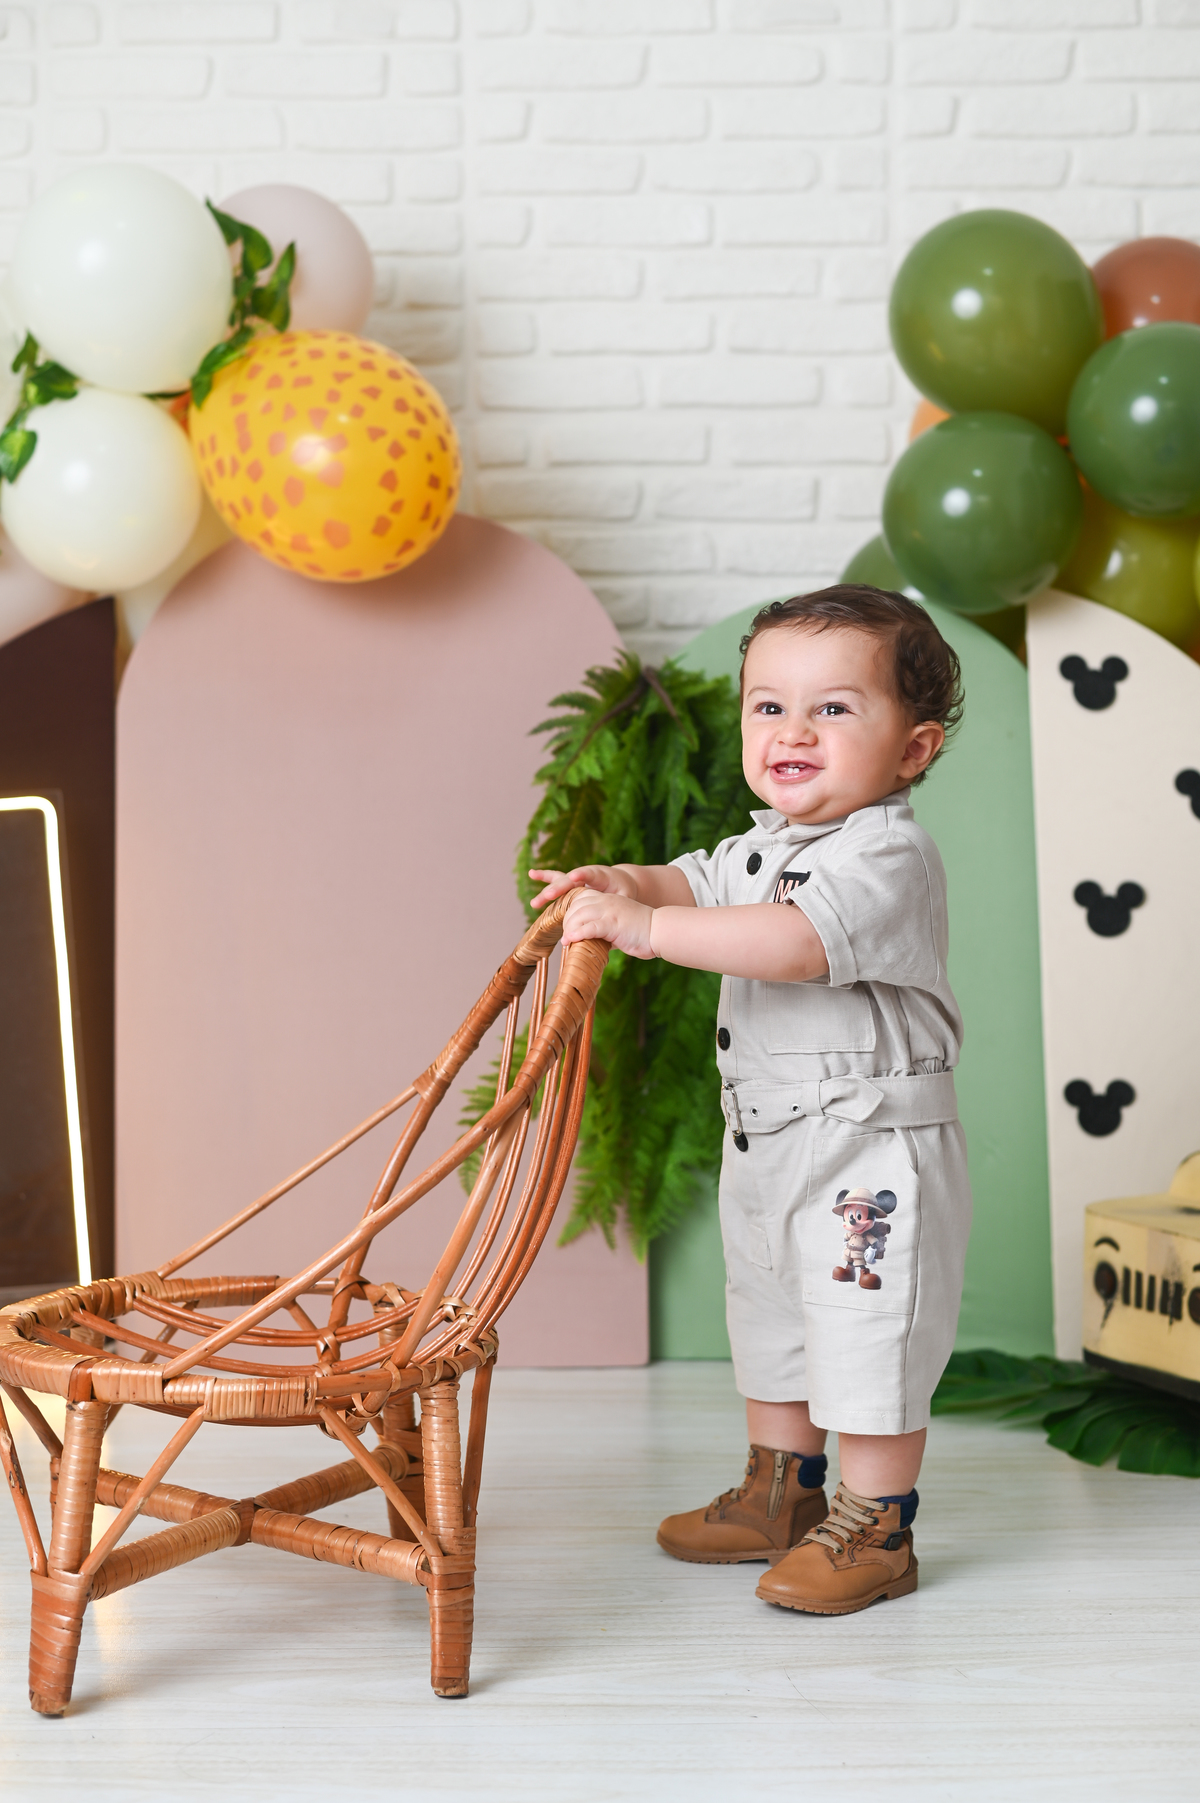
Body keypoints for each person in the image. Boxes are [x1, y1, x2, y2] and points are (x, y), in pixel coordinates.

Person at [530, 584, 970, 1616]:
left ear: (913, 749)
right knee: (771, 1320)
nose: (793, 732)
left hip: (869, 1157)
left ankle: (876, 1524)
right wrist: (621, 882)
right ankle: (782, 1492)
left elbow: (796, 943)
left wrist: (642, 934)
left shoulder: (886, 857)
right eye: (769, 706)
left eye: (833, 708)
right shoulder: (757, 845)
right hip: (769, 1142)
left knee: (866, 1333)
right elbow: (689, 881)